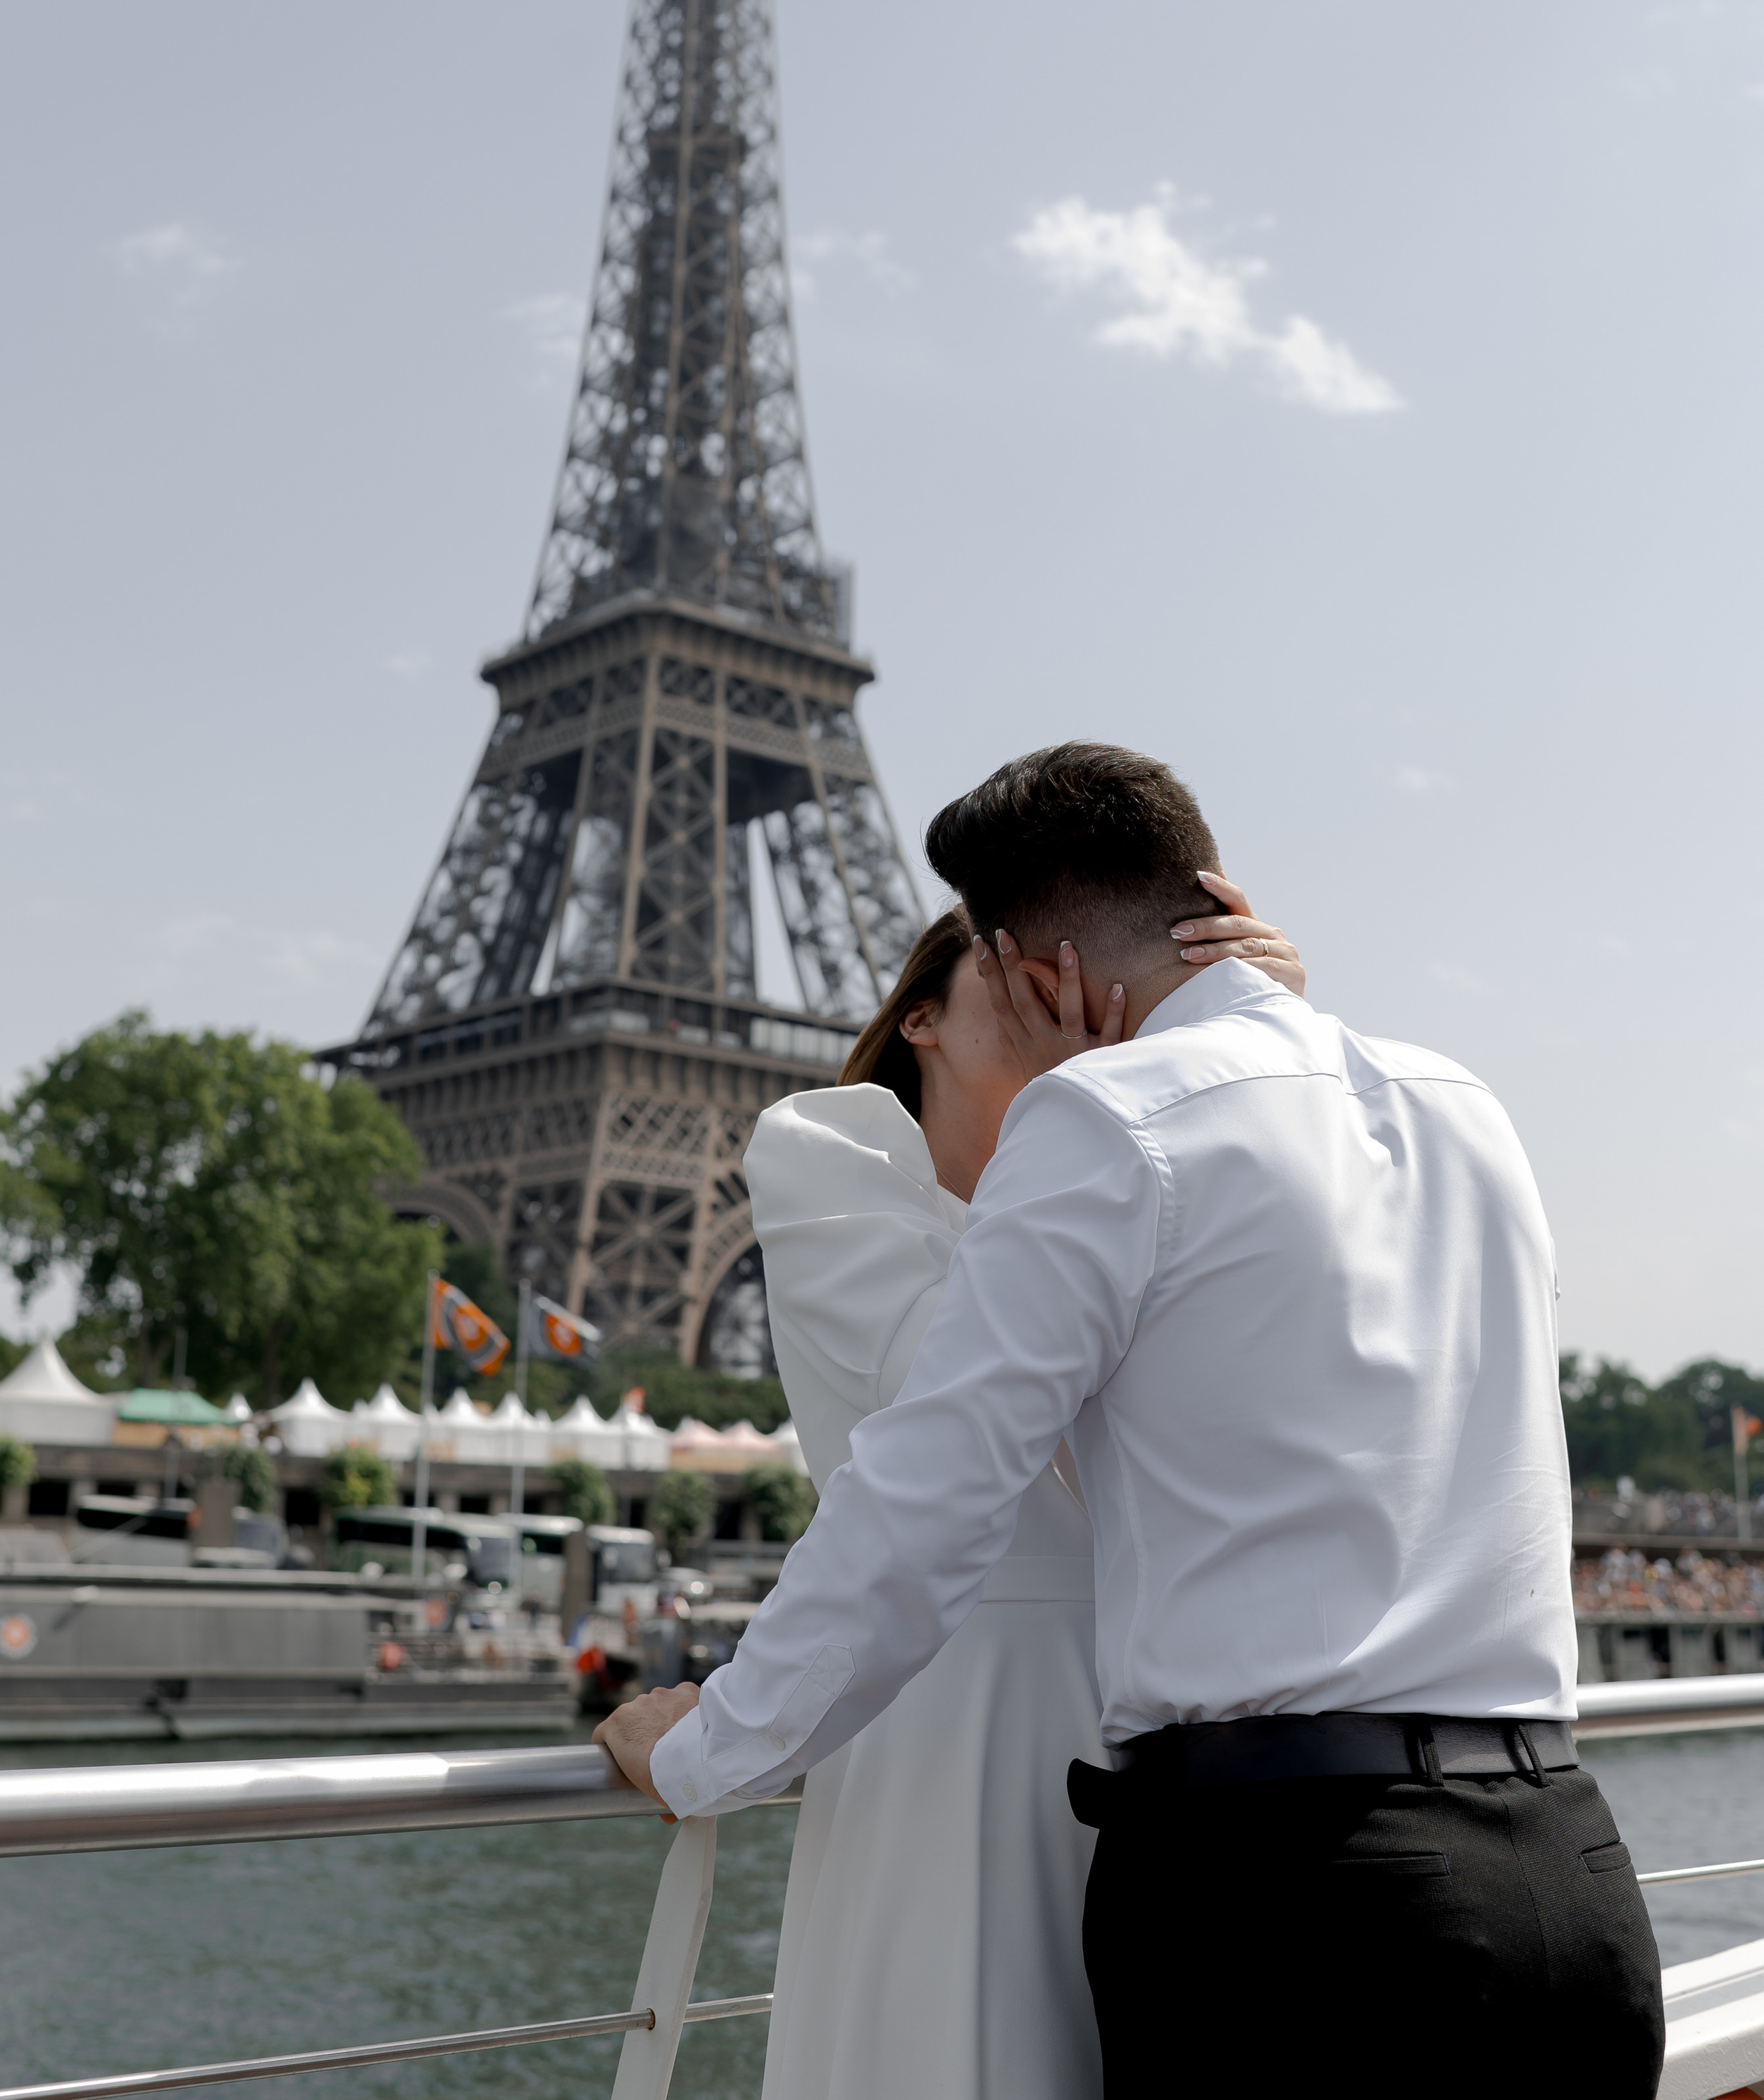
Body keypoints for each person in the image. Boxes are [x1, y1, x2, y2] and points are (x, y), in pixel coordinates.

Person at [601, 744, 1664, 2100]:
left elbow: (927, 1493)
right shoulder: (1466, 1108)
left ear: (1033, 967)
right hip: (1561, 1862)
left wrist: (708, 1748)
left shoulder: (1104, 1119)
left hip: (1294, 1894)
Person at [746, 873, 1304, 2100]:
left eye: (1079, 978)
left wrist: (1252, 1046)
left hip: (1151, 1714)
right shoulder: (829, 1149)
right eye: (1013, 978)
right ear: (921, 1022)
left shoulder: (1133, 1175)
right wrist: (1084, 1106)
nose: (1063, 1007)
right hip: (947, 1694)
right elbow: (957, 1390)